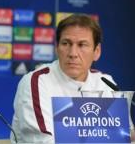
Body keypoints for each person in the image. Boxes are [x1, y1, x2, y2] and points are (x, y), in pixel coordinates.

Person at [10, 14, 135, 143]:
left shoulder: (105, 82)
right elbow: (43, 141)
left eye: (82, 45)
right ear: (57, 48)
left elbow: (124, 136)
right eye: (66, 43)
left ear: (96, 52)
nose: (73, 53)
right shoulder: (37, 81)